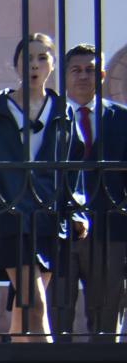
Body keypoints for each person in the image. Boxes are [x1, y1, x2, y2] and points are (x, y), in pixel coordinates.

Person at [0, 34, 80, 341]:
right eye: (28, 58)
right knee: (36, 304)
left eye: (43, 57)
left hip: (48, 215)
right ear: (16, 63)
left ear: (53, 64)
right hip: (9, 214)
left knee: (24, 305)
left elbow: (73, 168)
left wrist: (75, 211)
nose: (35, 64)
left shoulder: (63, 111)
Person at [52, 43, 124, 340]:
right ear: (65, 75)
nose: (83, 76)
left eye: (90, 70)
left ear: (103, 75)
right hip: (60, 228)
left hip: (111, 230)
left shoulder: (122, 118)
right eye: (76, 70)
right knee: (57, 314)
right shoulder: (50, 118)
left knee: (106, 317)